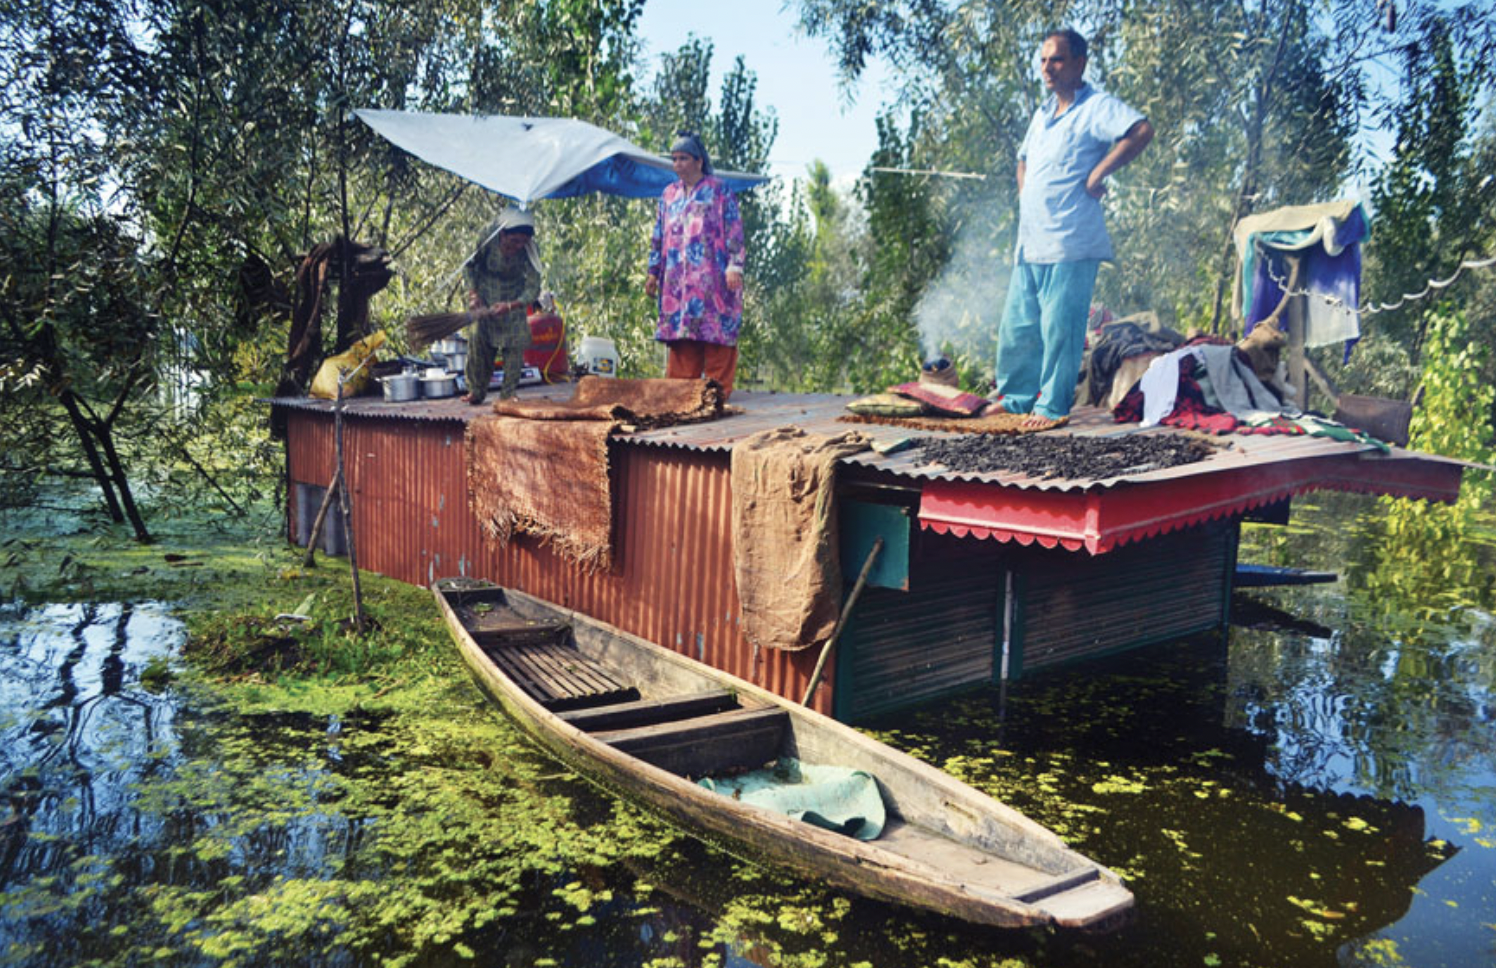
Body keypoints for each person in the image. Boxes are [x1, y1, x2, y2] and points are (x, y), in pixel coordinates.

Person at [989, 28, 1154, 430]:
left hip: (1069, 240)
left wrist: (1099, 172)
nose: (1047, 67)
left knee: (1060, 330)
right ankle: (1016, 398)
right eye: (1044, 59)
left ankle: (1051, 408)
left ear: (1079, 64)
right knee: (1019, 328)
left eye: (1057, 59)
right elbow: (1023, 159)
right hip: (1030, 242)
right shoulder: (1043, 114)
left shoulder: (1096, 107)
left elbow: (1141, 130)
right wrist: (1029, 197)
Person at [645, 131, 746, 398]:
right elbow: (658, 236)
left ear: (698, 161)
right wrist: (653, 272)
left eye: (683, 158)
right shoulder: (668, 195)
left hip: (713, 280)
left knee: (716, 337)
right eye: (674, 159)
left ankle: (716, 398)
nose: (677, 164)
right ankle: (680, 400)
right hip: (676, 283)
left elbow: (734, 229)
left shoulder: (718, 190)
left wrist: (735, 265)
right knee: (682, 342)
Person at [462, 205, 542, 404]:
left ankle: (508, 394)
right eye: (513, 241)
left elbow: (533, 288)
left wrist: (512, 305)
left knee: (515, 345)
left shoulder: (530, 250)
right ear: (502, 234)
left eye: (522, 243)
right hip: (484, 296)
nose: (516, 247)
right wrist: (473, 294)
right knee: (478, 341)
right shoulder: (487, 238)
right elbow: (469, 266)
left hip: (513, 300)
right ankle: (476, 391)